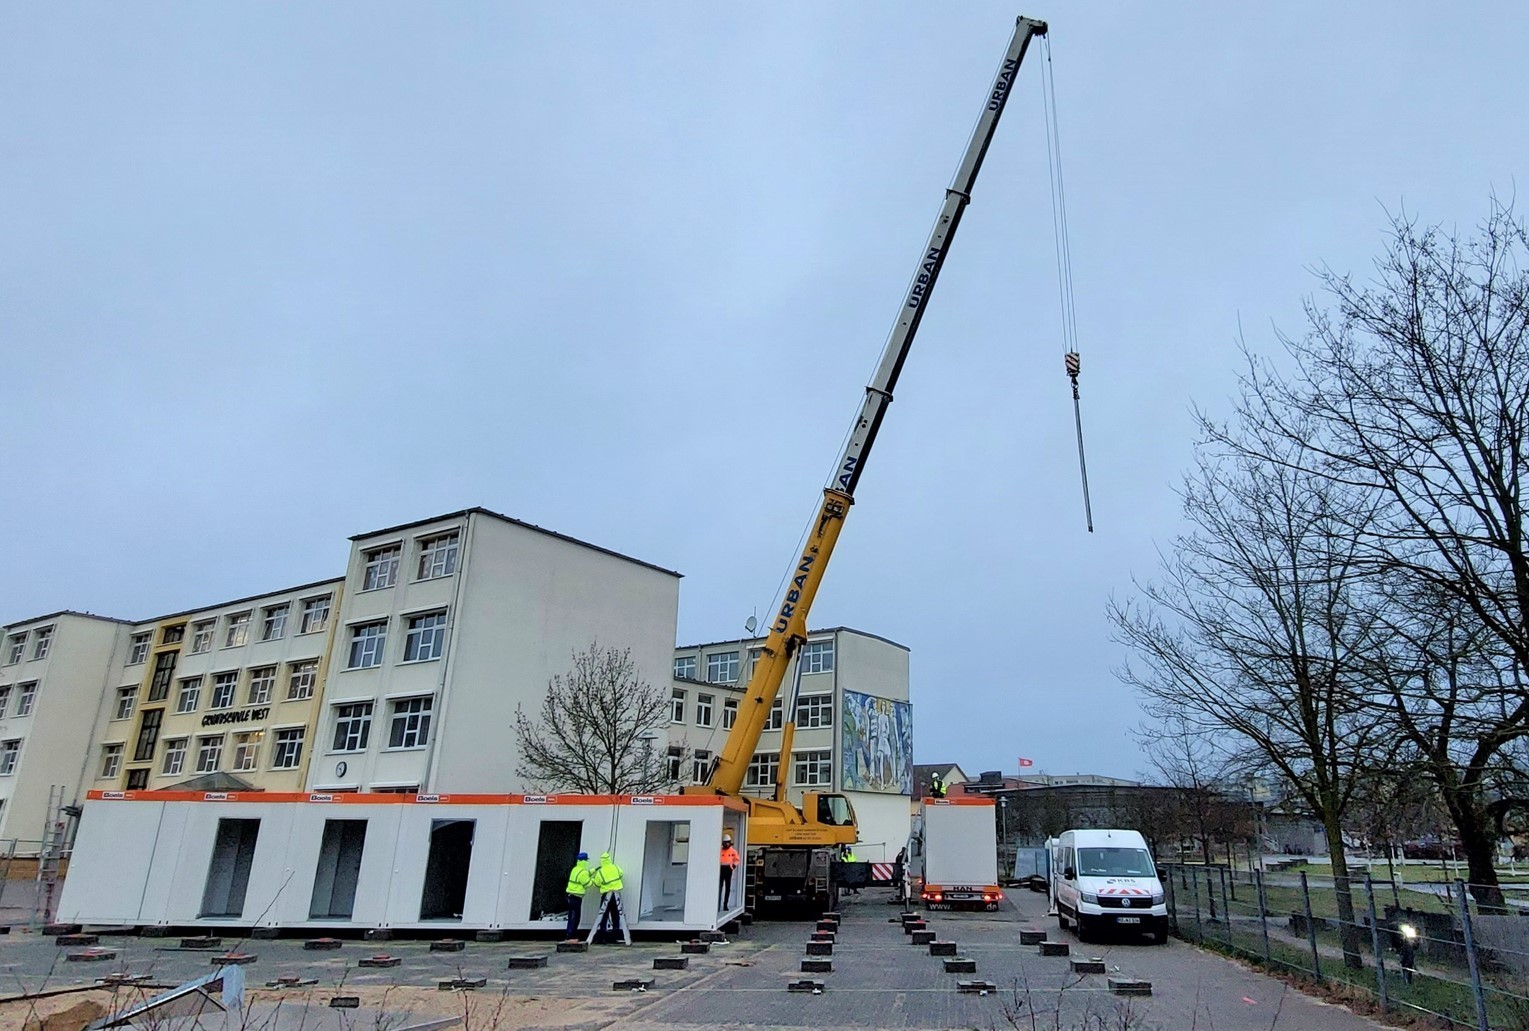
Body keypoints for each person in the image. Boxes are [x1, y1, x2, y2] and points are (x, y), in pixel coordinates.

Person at [591, 850, 628, 944]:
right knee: (616, 914)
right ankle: (615, 934)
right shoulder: (615, 867)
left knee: (604, 915)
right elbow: (621, 874)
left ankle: (603, 936)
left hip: (607, 895)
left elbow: (596, 883)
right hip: (616, 894)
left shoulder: (601, 872)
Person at [563, 851, 593, 942]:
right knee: (575, 918)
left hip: (570, 896)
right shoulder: (583, 872)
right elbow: (587, 883)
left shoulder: (575, 869)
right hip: (576, 898)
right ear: (585, 861)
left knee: (572, 916)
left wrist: (592, 872)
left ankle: (570, 935)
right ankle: (571, 937)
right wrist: (594, 879)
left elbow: (584, 875)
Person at [719, 834, 741, 909]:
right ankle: (718, 903)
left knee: (727, 887)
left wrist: (734, 866)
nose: (726, 844)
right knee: (719, 887)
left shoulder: (733, 851)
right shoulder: (720, 850)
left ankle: (725, 904)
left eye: (727, 842)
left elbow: (737, 859)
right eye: (724, 842)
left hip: (728, 870)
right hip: (721, 869)